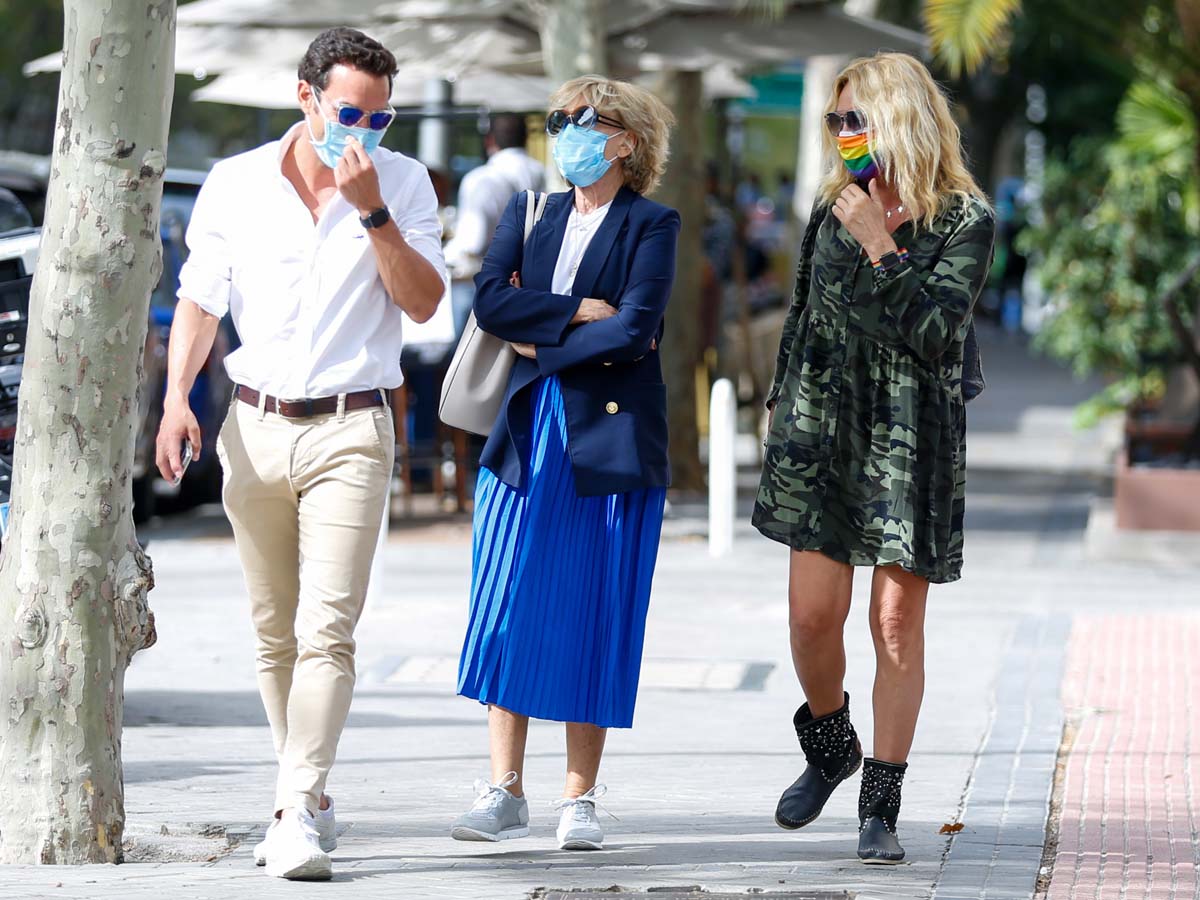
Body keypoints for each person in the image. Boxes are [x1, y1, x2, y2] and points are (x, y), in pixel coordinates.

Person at [153, 27, 445, 881]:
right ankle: (308, 793)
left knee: (328, 630)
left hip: (353, 427)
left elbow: (425, 304)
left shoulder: (404, 183)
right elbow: (201, 301)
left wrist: (375, 213)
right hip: (254, 424)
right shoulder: (237, 182)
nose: (363, 130)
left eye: (381, 118)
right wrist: (175, 401)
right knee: (273, 633)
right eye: (349, 111)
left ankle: (291, 810)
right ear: (306, 96)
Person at [753, 52, 996, 865]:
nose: (846, 136)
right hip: (820, 433)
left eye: (858, 120)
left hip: (909, 435)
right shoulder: (832, 208)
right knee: (810, 617)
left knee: (894, 621)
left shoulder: (964, 219)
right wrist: (777, 404)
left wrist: (881, 247)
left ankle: (880, 802)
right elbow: (803, 318)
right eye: (837, 121)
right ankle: (829, 742)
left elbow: (936, 336)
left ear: (902, 118)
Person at [450, 76, 679, 852]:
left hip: (608, 439)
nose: (564, 133)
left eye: (581, 120)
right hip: (524, 431)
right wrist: (580, 312)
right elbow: (488, 301)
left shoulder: (654, 222)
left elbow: (638, 328)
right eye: (556, 120)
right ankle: (503, 786)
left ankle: (577, 799)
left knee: (594, 605)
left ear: (626, 140)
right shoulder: (529, 209)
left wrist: (538, 336)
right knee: (506, 598)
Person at [443, 113, 546, 335]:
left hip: (481, 279)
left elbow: (473, 242)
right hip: (527, 278)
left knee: (467, 356)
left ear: (489, 141)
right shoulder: (538, 171)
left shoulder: (480, 178)